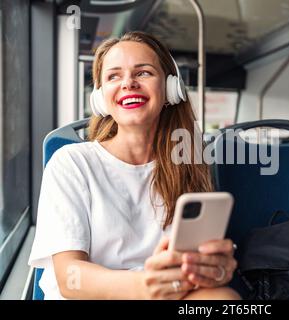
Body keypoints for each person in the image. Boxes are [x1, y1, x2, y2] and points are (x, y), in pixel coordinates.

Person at [28, 31, 239, 300]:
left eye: (143, 73)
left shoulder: (191, 163)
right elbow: (70, 278)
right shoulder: (71, 163)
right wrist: (143, 286)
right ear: (101, 98)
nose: (128, 83)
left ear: (170, 90)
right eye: (114, 76)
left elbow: (192, 270)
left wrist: (214, 270)